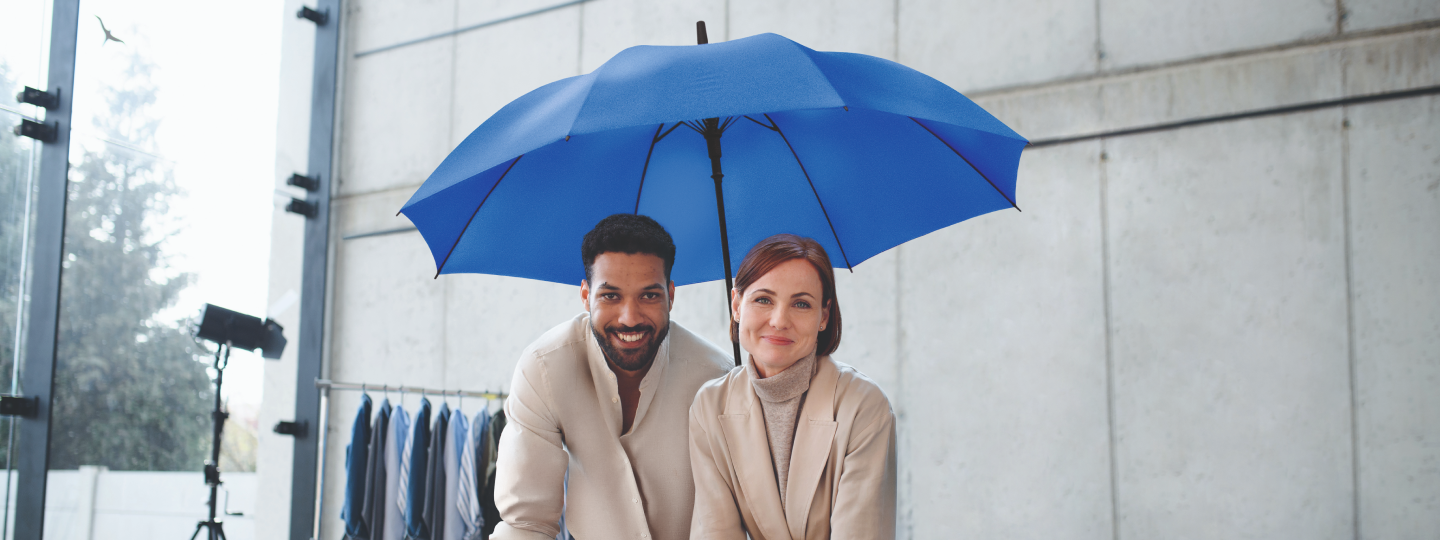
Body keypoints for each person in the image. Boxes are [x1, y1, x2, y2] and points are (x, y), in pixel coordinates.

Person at [491, 214, 733, 540]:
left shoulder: (717, 378)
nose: (629, 318)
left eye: (649, 295)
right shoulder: (544, 368)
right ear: (585, 295)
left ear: (671, 296)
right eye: (611, 295)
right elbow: (525, 523)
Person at [688, 234, 897, 540]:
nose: (779, 320)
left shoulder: (863, 406)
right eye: (763, 299)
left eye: (801, 304)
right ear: (736, 304)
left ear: (823, 316)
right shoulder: (710, 406)